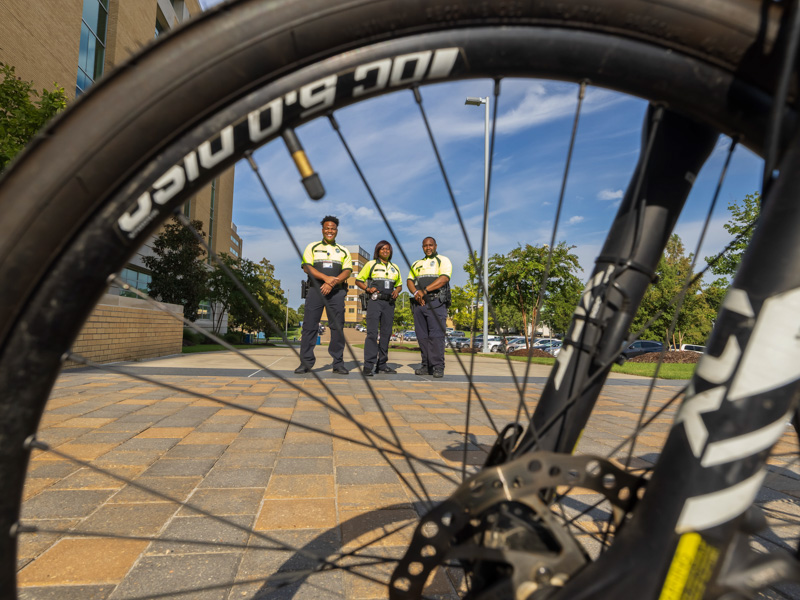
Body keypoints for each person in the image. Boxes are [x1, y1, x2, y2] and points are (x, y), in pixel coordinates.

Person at [295, 216, 352, 374]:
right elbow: (307, 267)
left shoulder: (344, 251)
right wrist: (326, 279)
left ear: (336, 231)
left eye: (333, 228)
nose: (330, 231)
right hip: (315, 290)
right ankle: (306, 363)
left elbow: (347, 271)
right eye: (327, 228)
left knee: (338, 328)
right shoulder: (312, 247)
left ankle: (338, 363)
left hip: (337, 292)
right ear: (322, 230)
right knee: (309, 327)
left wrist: (332, 283)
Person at [407, 237, 452, 378]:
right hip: (419, 305)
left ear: (435, 246)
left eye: (430, 245)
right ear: (422, 247)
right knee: (422, 337)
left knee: (436, 336)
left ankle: (438, 367)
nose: (428, 248)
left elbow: (444, 278)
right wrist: (416, 293)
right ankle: (426, 366)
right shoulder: (416, 264)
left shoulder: (443, 260)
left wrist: (424, 291)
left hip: (436, 303)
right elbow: (409, 280)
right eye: (425, 245)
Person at [355, 240, 402, 376]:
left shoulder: (395, 267)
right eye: (382, 249)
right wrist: (367, 288)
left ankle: (382, 365)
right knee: (372, 334)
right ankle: (368, 366)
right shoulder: (371, 265)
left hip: (389, 304)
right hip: (375, 302)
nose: (385, 251)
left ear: (390, 251)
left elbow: (399, 284)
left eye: (388, 249)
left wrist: (397, 290)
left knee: (386, 334)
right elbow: (358, 280)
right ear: (378, 251)